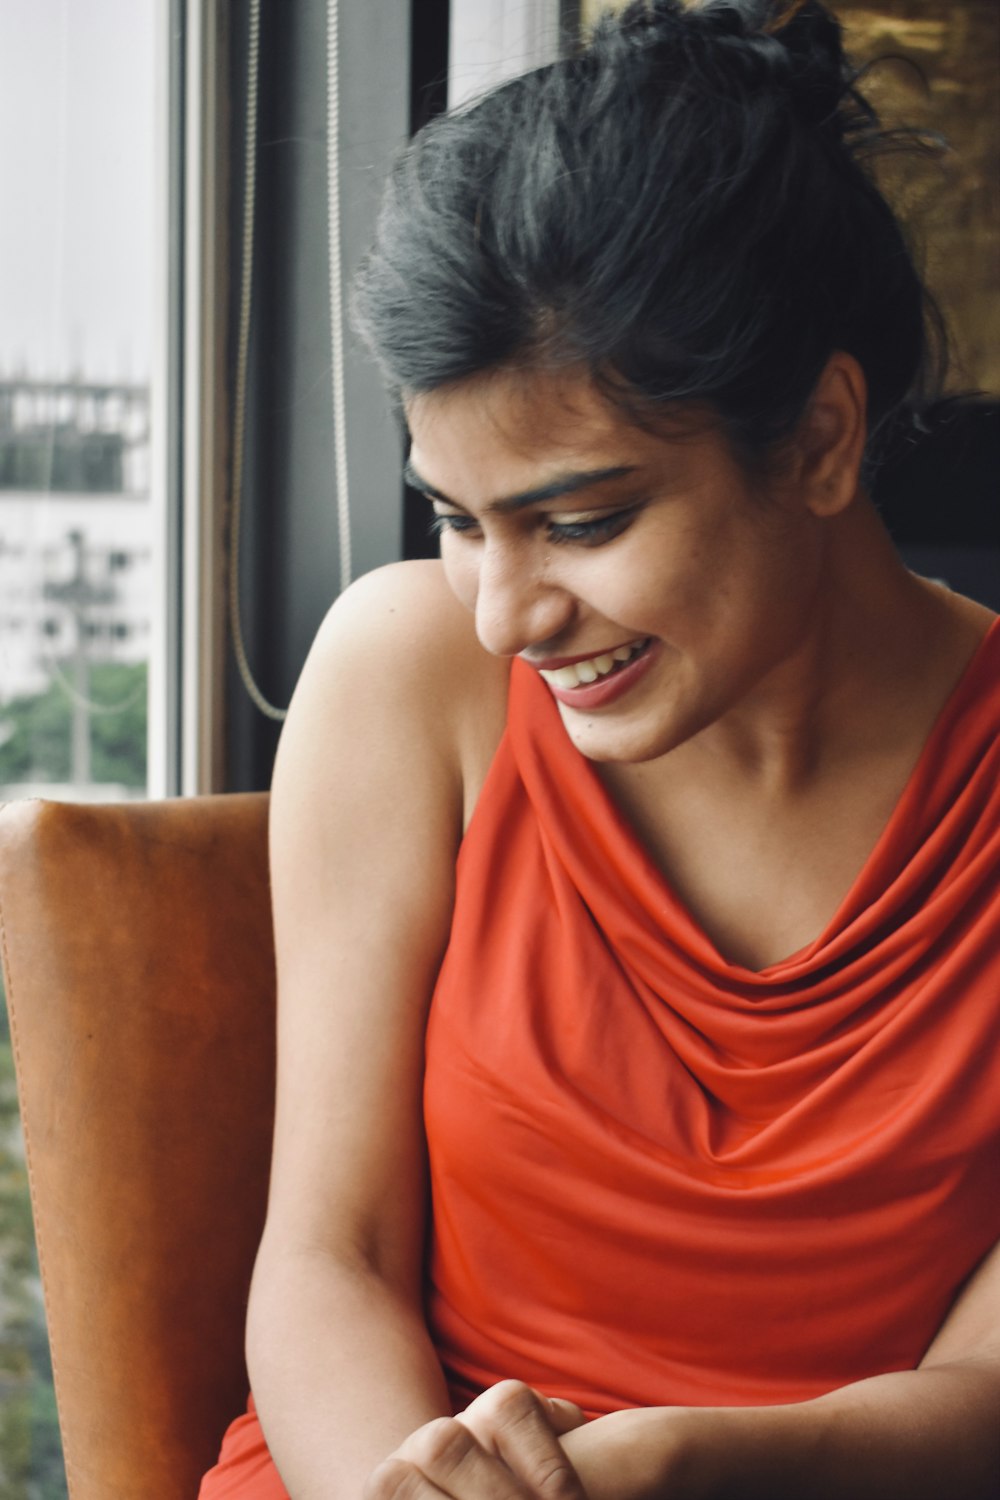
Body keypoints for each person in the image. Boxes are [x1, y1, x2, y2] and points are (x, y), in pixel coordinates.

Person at [199, 2, 1000, 1496]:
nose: (505, 615)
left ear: (822, 438)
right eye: (456, 519)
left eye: (582, 520)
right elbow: (329, 1257)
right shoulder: (407, 677)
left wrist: (687, 1466)